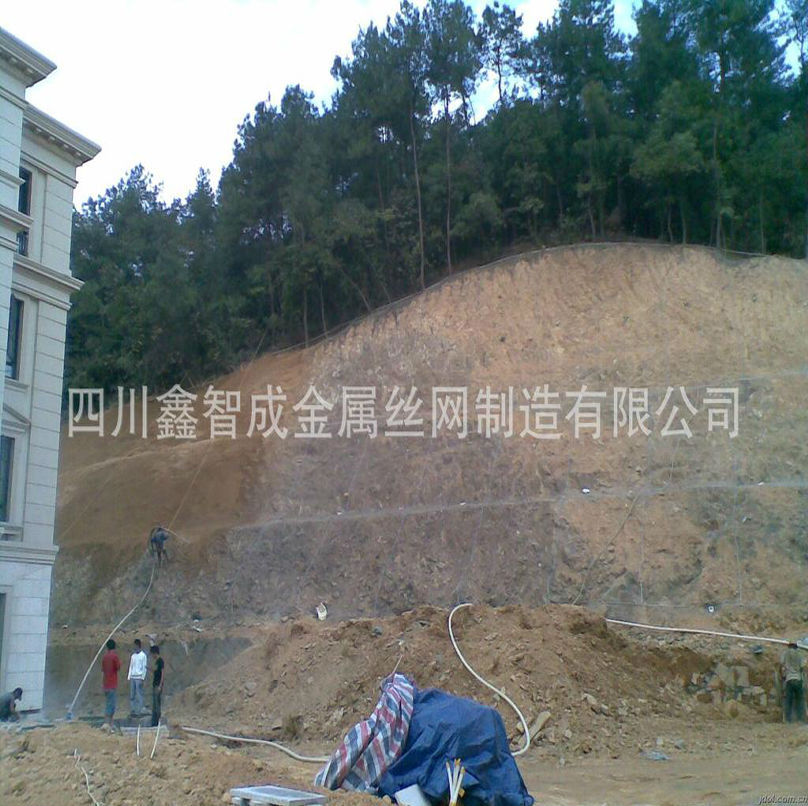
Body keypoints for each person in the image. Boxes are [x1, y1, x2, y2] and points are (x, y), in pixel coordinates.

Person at [780, 641, 806, 723]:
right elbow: (802, 666)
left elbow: (781, 664)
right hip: (798, 679)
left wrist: (783, 675)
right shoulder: (800, 654)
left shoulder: (785, 653)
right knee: (799, 700)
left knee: (788, 700)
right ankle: (800, 719)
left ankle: (788, 719)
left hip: (789, 679)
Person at [101, 639, 121, 728]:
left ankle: (110, 725)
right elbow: (118, 667)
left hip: (105, 684)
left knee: (109, 704)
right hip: (112, 684)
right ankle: (106, 724)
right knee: (111, 706)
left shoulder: (105, 657)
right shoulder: (114, 656)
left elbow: (103, 670)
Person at [128, 638, 148, 716]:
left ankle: (140, 711)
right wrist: (129, 676)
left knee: (139, 694)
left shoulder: (143, 655)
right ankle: (133, 710)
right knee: (132, 695)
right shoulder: (133, 656)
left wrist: (143, 678)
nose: (134, 647)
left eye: (135, 645)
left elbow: (144, 667)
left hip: (139, 677)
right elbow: (131, 666)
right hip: (133, 677)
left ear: (138, 645)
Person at [150, 645, 165, 726]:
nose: (152, 656)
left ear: (155, 653)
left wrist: (160, 685)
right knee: (154, 704)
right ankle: (154, 721)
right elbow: (156, 672)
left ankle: (158, 720)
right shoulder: (157, 662)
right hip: (155, 684)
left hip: (158, 685)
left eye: (152, 654)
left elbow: (162, 674)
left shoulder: (160, 661)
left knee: (157, 704)